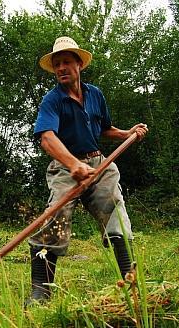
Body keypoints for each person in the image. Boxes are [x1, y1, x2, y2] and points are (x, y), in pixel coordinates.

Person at [26, 36, 148, 304]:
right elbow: (47, 137)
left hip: (100, 164)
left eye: (66, 62)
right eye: (56, 64)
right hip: (64, 167)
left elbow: (104, 128)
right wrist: (74, 165)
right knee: (55, 216)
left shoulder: (95, 95)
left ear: (79, 65)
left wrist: (127, 133)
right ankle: (40, 291)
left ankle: (131, 282)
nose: (60, 68)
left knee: (115, 210)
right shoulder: (52, 100)